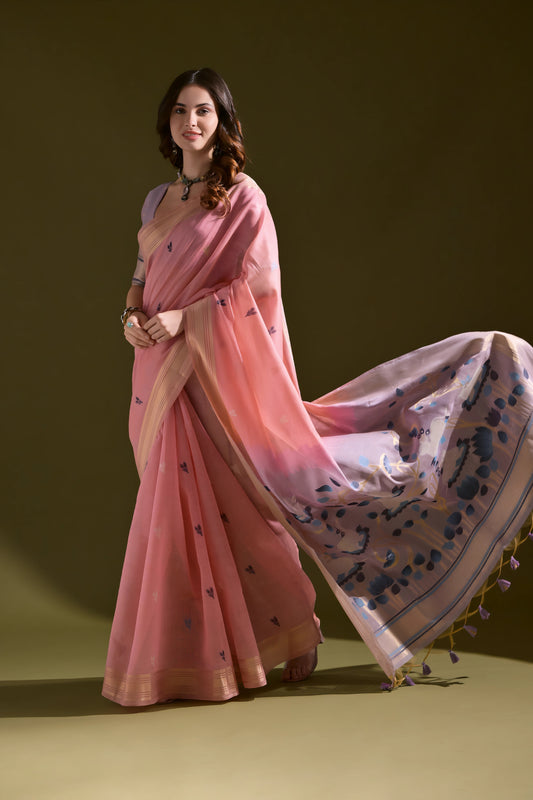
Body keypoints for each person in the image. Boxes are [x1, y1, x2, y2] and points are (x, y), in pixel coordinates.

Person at [102, 67, 533, 706]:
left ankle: (290, 633)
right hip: (161, 373)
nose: (190, 122)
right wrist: (133, 317)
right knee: (178, 511)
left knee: (244, 507)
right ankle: (194, 657)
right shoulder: (154, 201)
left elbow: (260, 290)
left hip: (216, 377)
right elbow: (139, 275)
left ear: (221, 123)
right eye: (180, 112)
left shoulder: (242, 196)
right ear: (167, 123)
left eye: (203, 112)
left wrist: (183, 319)